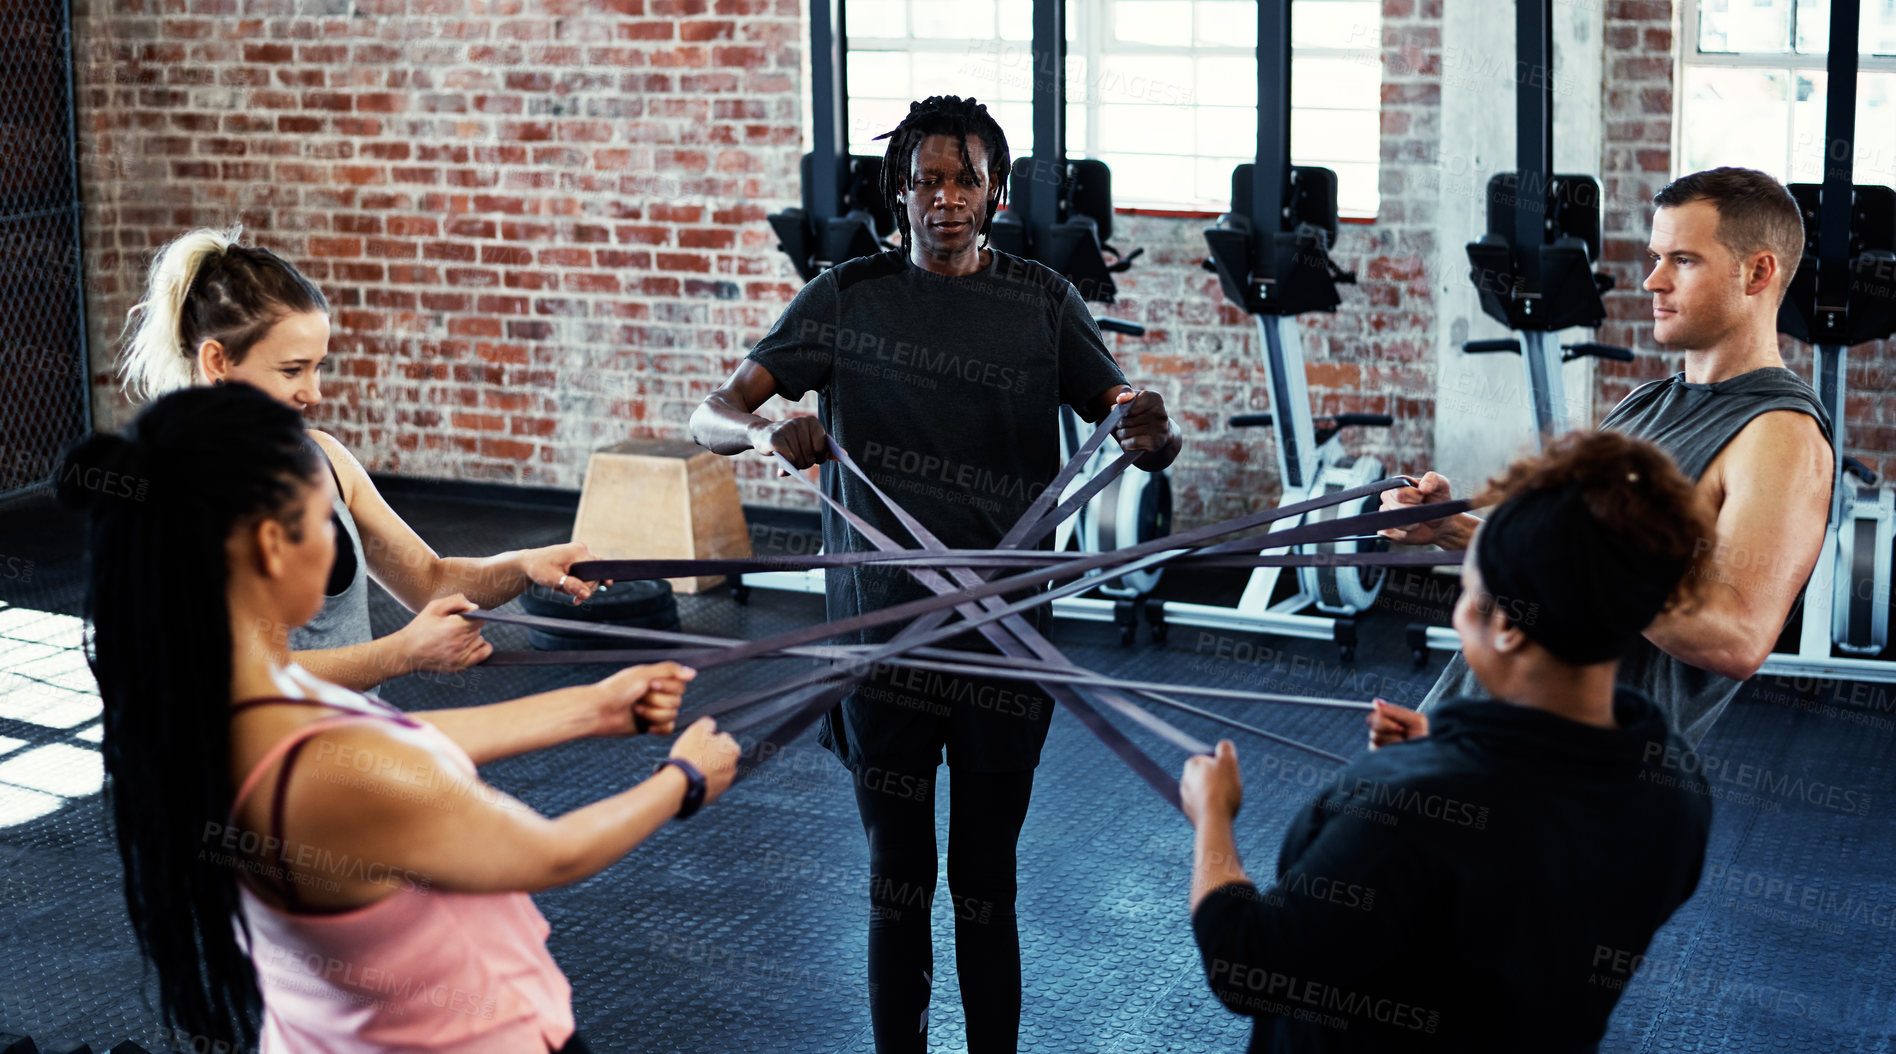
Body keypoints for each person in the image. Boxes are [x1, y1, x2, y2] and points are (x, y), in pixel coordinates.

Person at [689, 95, 1179, 1053]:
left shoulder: (1041, 300)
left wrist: (1153, 428)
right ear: (899, 191)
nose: (945, 198)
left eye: (965, 180)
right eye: (926, 180)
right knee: (897, 880)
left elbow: (1131, 419)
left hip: (1006, 640)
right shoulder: (846, 295)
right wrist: (762, 430)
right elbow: (709, 413)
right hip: (883, 641)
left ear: (994, 192)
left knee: (987, 883)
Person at [60, 382, 741, 1052]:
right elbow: (549, 853)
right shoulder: (324, 775)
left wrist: (590, 708)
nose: (335, 550)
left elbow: (383, 748)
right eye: (324, 523)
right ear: (272, 545)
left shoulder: (210, 702)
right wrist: (681, 780)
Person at [1182, 431, 1716, 1051]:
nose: (1461, 610)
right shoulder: (1674, 783)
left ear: (1511, 627)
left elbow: (1249, 965)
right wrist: (1445, 748)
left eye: (1468, 593)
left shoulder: (1409, 809)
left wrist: (1212, 819)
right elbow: (1535, 849)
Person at [1380, 167, 1834, 747]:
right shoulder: (1648, 401)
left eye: (1683, 261)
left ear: (1758, 272)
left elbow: (1736, 638)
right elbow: (1556, 559)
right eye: (1655, 257)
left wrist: (1581, 563)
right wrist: (1454, 529)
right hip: (1480, 727)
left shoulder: (1780, 434)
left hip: (1573, 770)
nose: (1652, 281)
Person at [117, 226, 607, 693]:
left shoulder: (323, 458)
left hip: (350, 749)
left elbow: (430, 581)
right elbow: (227, 674)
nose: (313, 393)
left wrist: (524, 565)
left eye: (317, 367)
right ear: (217, 362)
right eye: (292, 371)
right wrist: (401, 653)